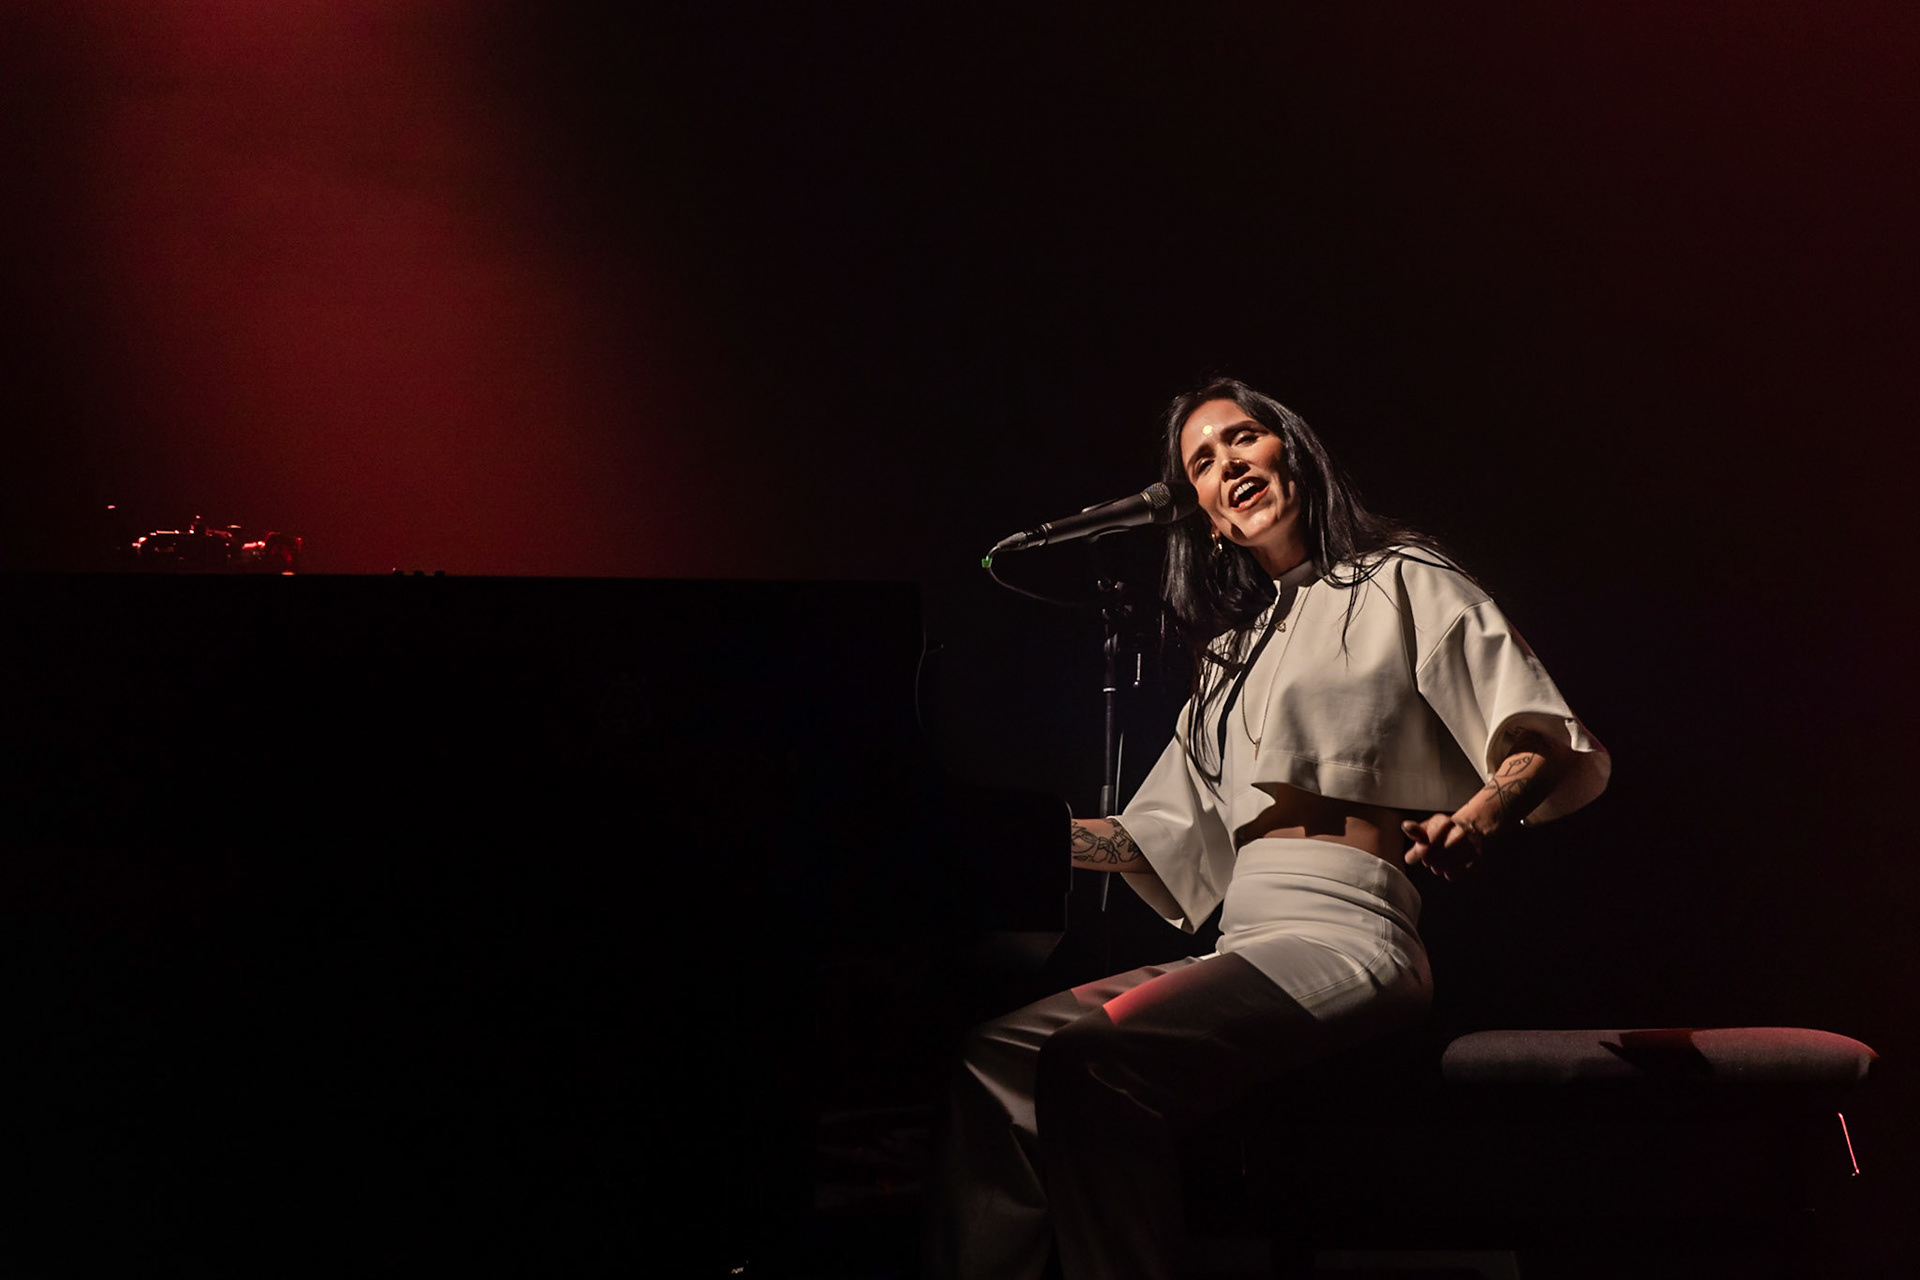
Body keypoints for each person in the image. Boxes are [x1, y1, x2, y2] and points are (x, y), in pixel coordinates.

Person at [927, 378, 1609, 1280]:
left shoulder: (1403, 577)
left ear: (1293, 452)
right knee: (995, 1061)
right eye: (1201, 463)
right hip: (1240, 945)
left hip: (1349, 933)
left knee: (1092, 1064)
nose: (1226, 465)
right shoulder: (1228, 657)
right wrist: (987, 829)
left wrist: (1478, 817)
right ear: (1204, 515)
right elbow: (1149, 843)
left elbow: (1541, 739)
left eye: (1241, 440)